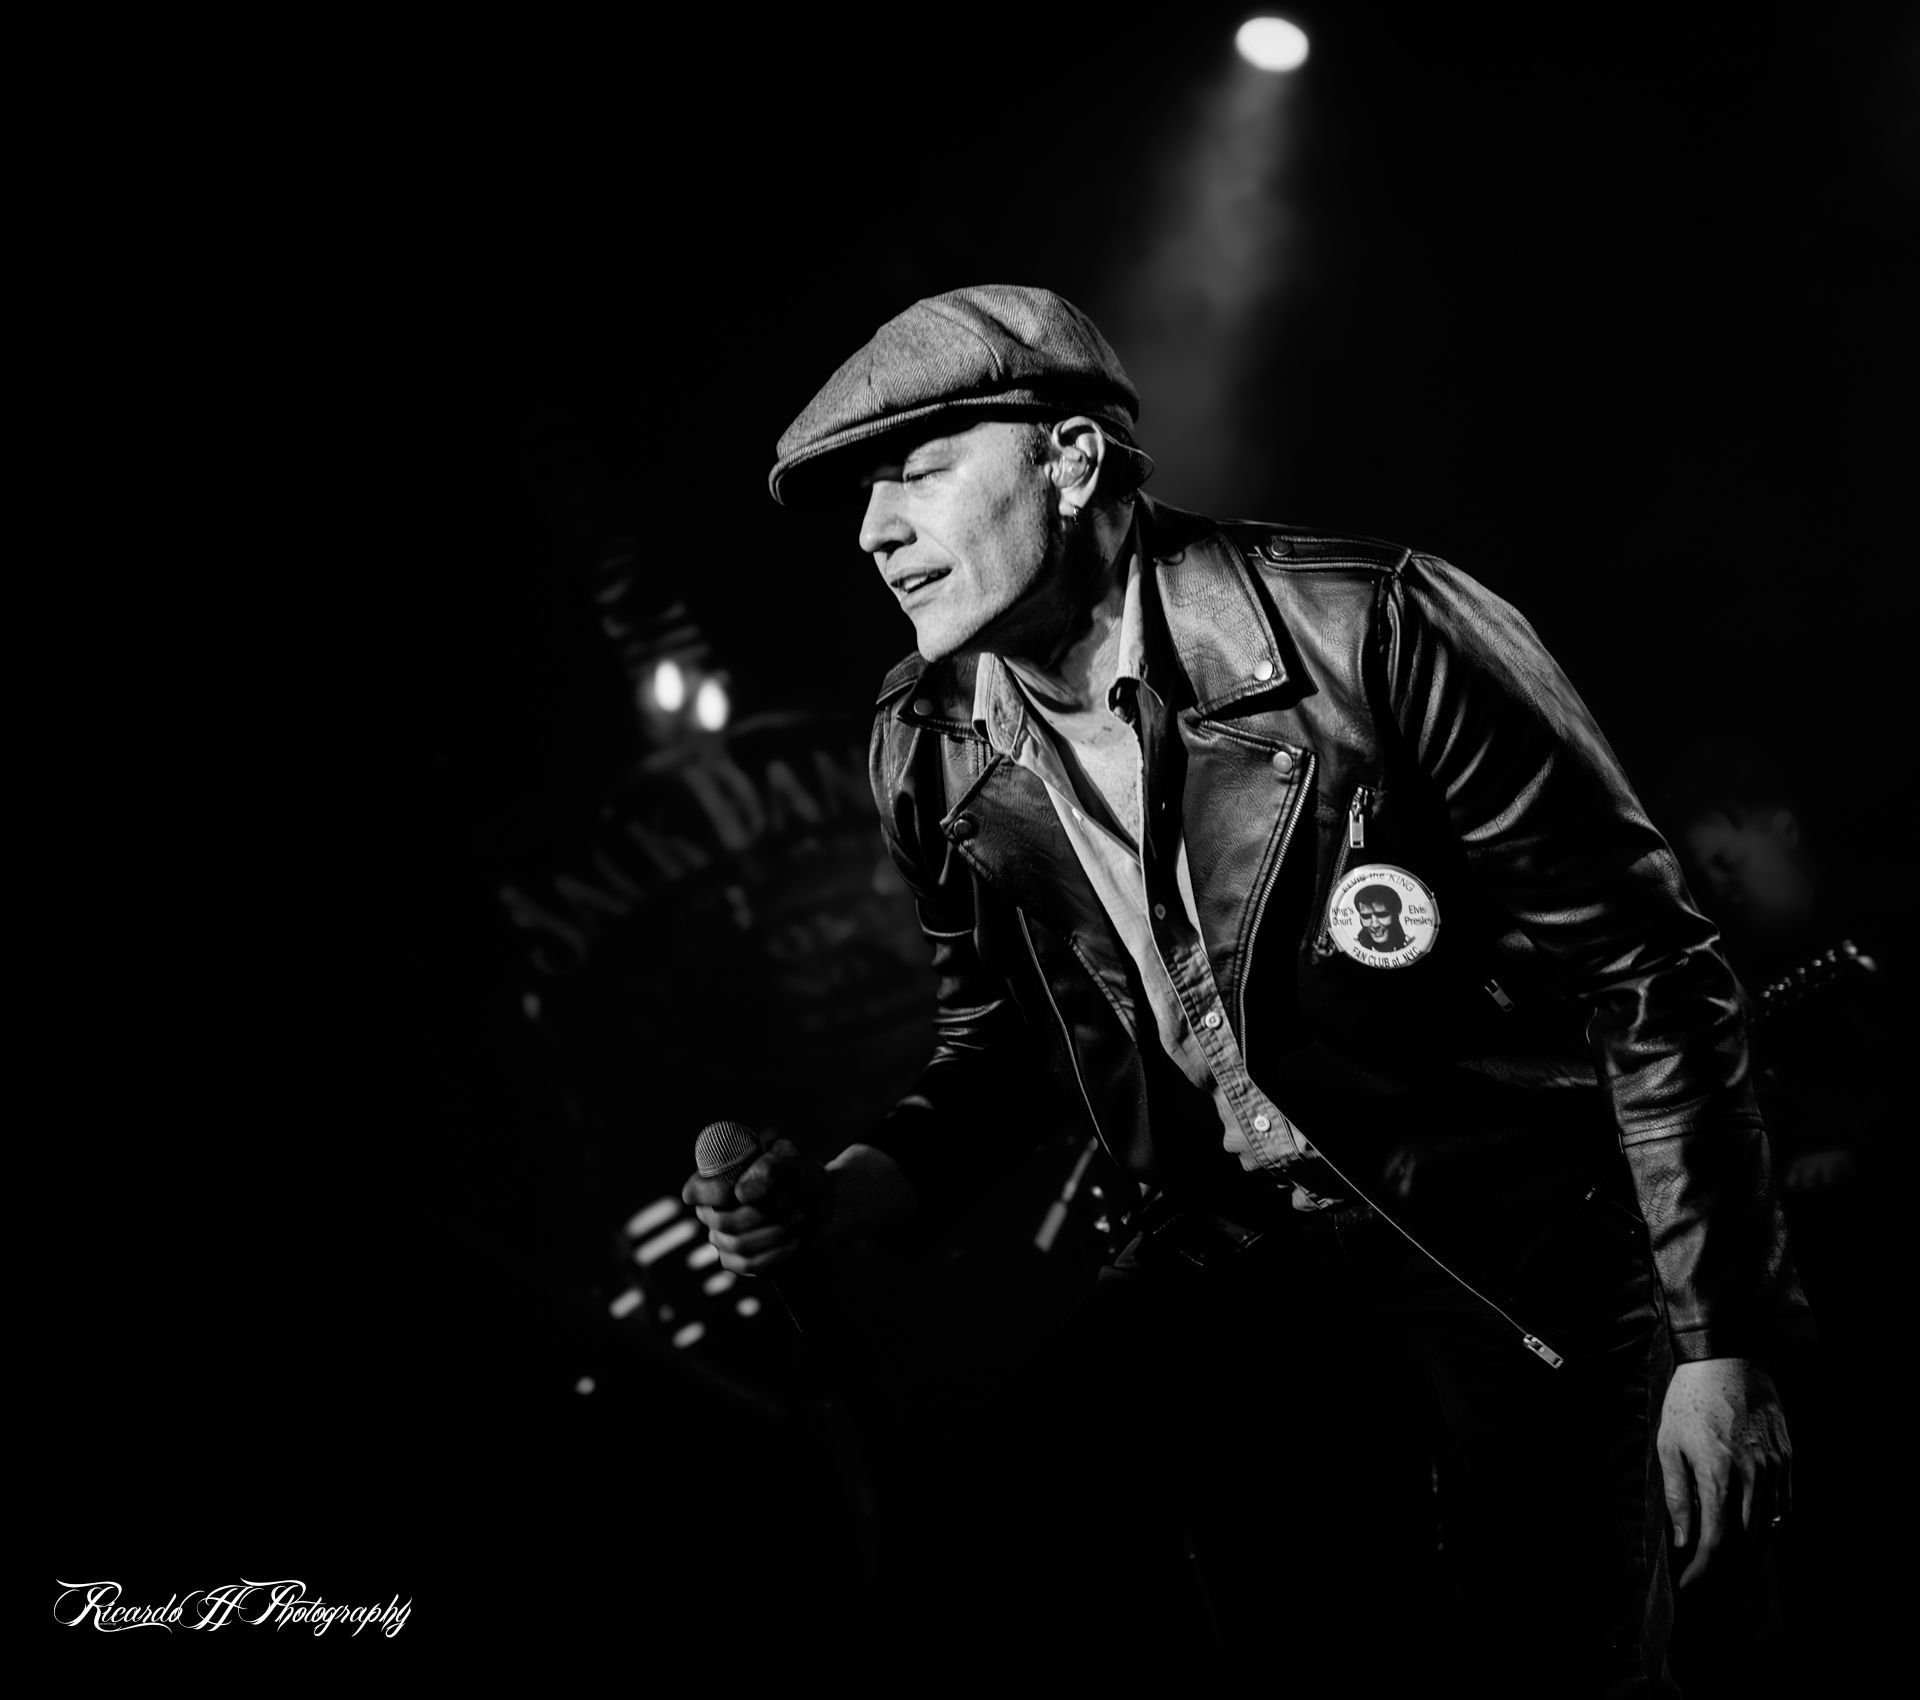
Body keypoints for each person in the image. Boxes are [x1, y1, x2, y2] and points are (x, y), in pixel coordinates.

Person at [684, 285, 1802, 1697]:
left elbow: (1649, 971)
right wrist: (843, 1191)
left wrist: (1723, 1342)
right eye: (862, 493)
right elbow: (1012, 1046)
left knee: (1560, 1661)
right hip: (1238, 1236)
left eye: (916, 471)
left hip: (1507, 1223)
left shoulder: (1377, 625)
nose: (875, 530)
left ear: (1073, 459)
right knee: (961, 1585)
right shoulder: (931, 742)